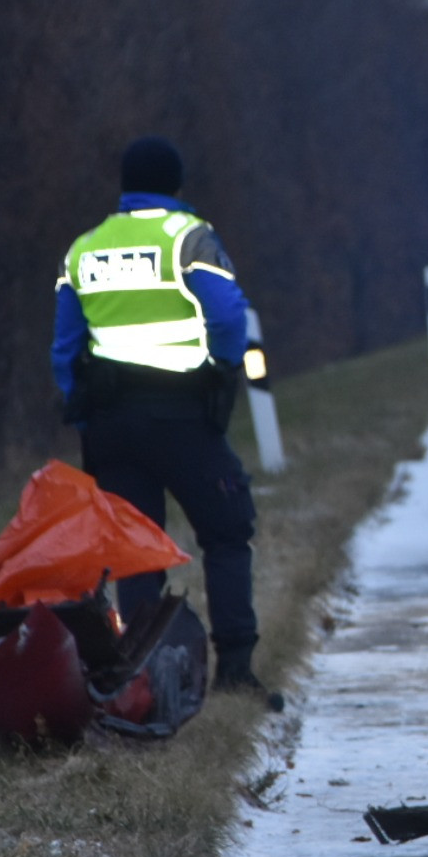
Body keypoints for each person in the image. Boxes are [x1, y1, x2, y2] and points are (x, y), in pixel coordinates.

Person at [51, 136, 281, 711]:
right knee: (227, 530)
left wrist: (79, 400)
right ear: (177, 184)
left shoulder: (83, 249)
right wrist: (222, 370)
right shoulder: (190, 238)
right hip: (181, 416)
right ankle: (234, 670)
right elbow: (228, 315)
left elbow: (63, 347)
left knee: (137, 549)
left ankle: (143, 673)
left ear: (124, 185)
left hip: (110, 424)